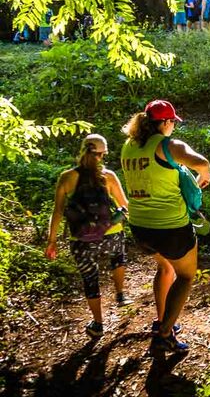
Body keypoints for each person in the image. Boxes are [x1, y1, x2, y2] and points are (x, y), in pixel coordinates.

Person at [121, 99, 210, 354]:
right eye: (172, 121)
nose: (173, 126)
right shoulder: (167, 145)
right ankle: (163, 336)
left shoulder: (129, 146)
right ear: (165, 122)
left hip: (140, 226)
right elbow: (201, 162)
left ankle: (163, 322)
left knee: (165, 268)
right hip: (170, 226)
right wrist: (203, 177)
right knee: (185, 275)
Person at [45, 134, 132, 339]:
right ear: (102, 154)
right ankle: (120, 294)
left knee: (90, 279)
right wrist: (121, 215)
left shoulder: (67, 177)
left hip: (81, 240)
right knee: (117, 256)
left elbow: (57, 212)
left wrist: (52, 241)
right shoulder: (108, 175)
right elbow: (125, 204)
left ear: (82, 150)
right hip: (111, 233)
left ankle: (98, 324)